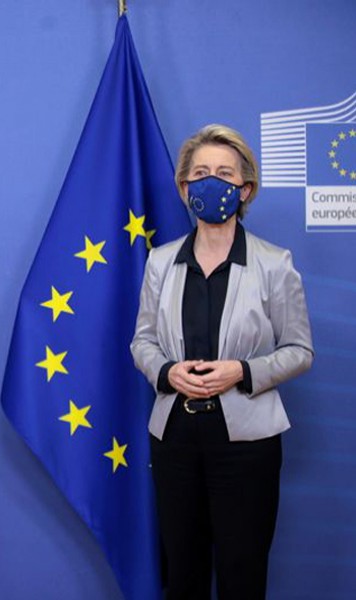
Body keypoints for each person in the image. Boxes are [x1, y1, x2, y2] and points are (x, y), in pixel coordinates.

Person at [130, 124, 314, 599]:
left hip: (247, 442)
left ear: (244, 188)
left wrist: (243, 371)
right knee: (183, 572)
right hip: (174, 440)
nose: (212, 182)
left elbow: (299, 350)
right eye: (201, 173)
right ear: (185, 187)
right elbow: (142, 342)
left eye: (225, 173)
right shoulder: (160, 262)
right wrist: (167, 372)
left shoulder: (275, 263)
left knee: (242, 571)